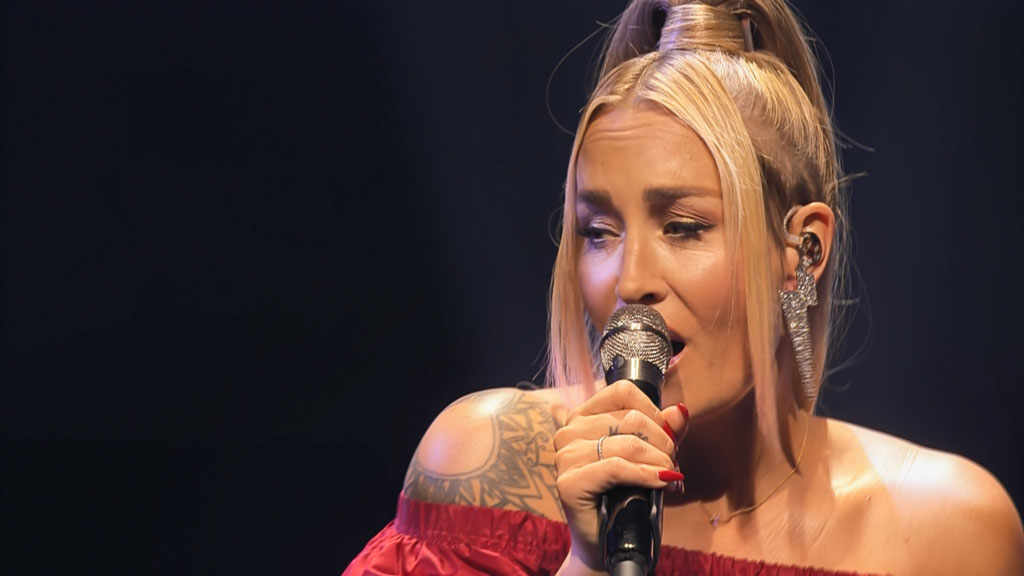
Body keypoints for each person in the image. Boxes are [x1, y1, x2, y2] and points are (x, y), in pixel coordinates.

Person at [345, 0, 1024, 574]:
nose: (630, 282)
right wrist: (587, 562)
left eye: (683, 227)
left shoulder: (947, 530)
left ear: (804, 249)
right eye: (599, 231)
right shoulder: (484, 470)